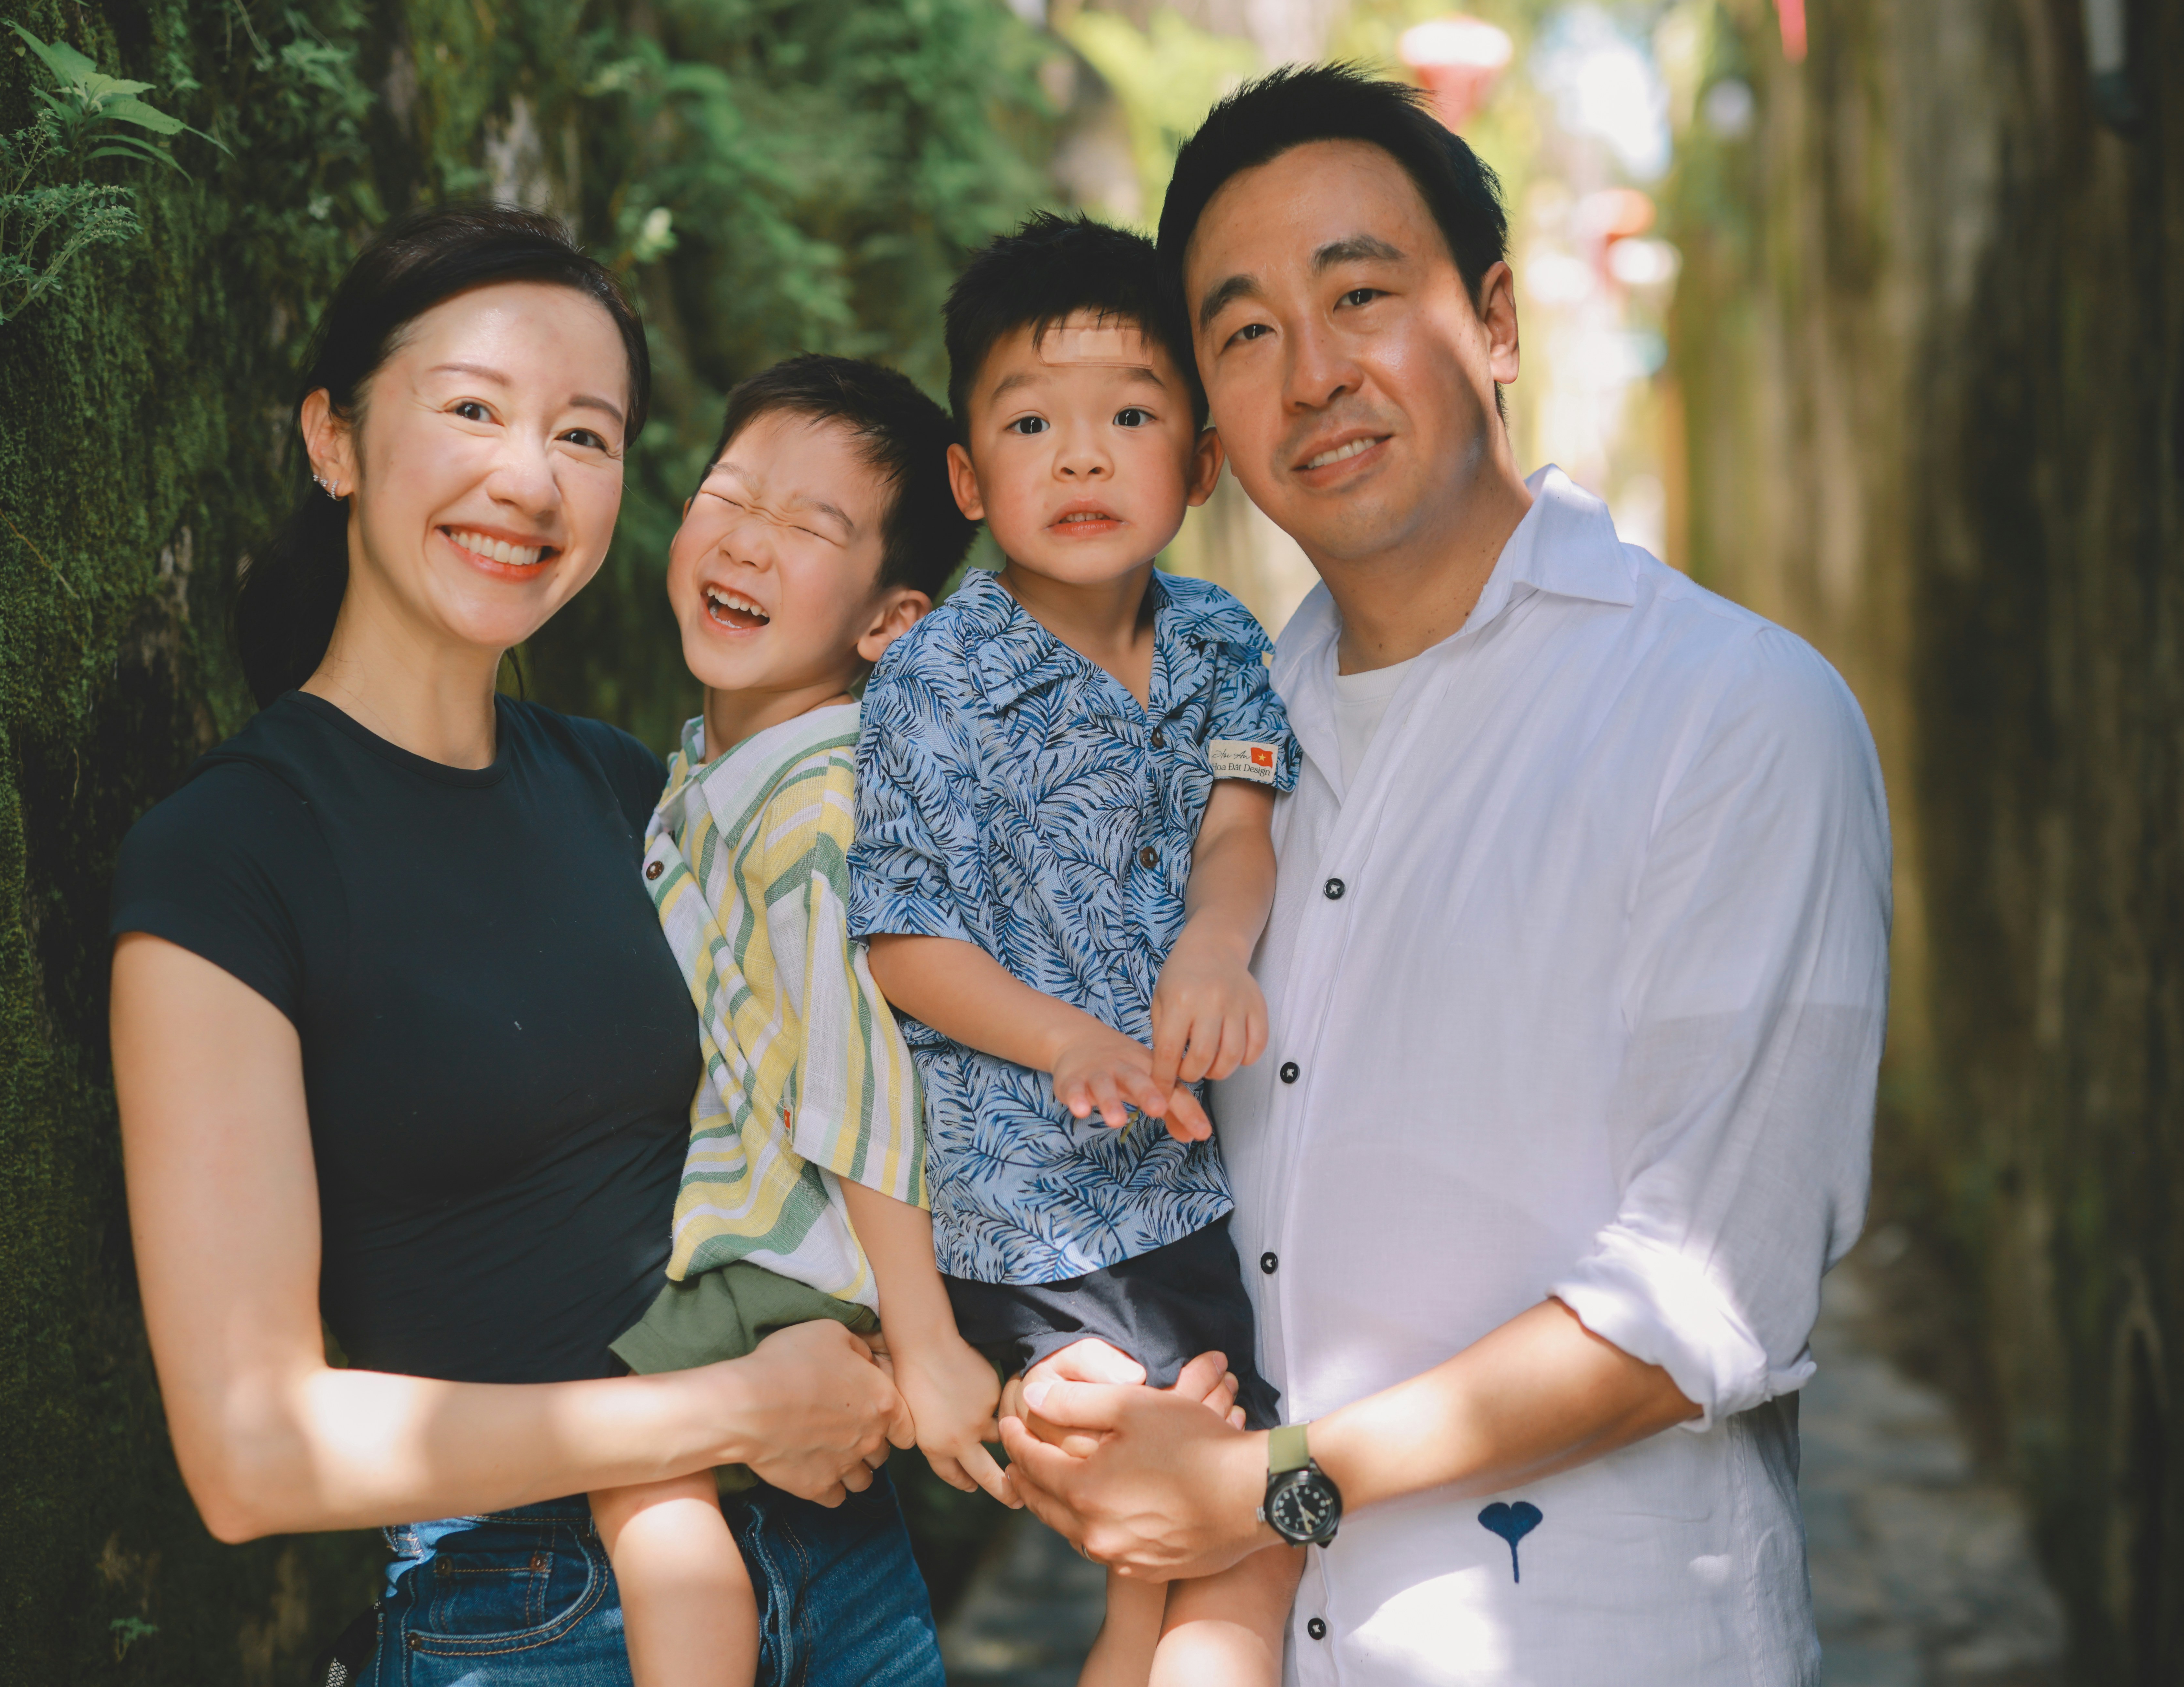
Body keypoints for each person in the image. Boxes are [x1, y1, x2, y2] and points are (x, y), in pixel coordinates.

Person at [998, 66, 1894, 1685]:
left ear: (1491, 317)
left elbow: (1704, 1296)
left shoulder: (1733, 714)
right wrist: (1078, 1389)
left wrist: (1264, 1487)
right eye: (1245, 332)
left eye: (1360, 294)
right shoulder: (1213, 761)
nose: (1315, 373)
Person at [107, 205, 909, 1686]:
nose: (527, 479)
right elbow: (249, 1451)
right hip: (534, 1614)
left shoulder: (632, 791)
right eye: (471, 409)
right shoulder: (228, 857)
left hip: (843, 1568)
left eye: (587, 436)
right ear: (333, 439)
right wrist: (735, 1409)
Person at [848, 215, 1304, 1687]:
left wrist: (1213, 952)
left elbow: (1241, 827)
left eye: (1128, 416)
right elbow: (903, 940)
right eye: (1032, 423)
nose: (1084, 456)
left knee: (1169, 1558)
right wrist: (1069, 1041)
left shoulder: (1225, 639)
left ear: (1200, 461)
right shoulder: (937, 673)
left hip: (1181, 1184)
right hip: (1028, 1204)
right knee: (1226, 1527)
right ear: (970, 481)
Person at [584, 354, 997, 1687]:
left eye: (811, 525)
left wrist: (924, 1338)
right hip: (792, 1230)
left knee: (635, 1459)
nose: (748, 538)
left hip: (794, 1239)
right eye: (729, 493)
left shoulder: (816, 800)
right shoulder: (716, 769)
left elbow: (857, 1068)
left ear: (888, 622)